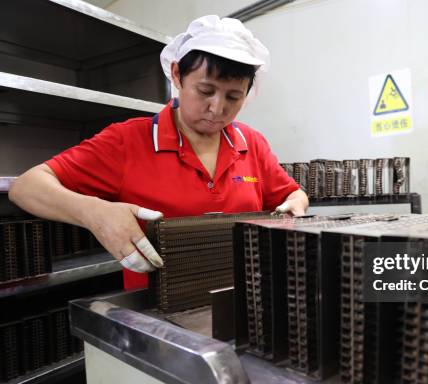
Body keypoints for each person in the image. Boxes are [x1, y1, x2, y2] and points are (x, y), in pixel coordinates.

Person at [8, 15, 308, 289]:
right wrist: (94, 213)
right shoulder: (128, 141)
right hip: (158, 313)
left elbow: (292, 195)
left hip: (242, 301)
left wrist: (295, 205)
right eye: (205, 91)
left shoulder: (250, 143)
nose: (217, 108)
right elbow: (26, 187)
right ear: (177, 75)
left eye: (233, 96)